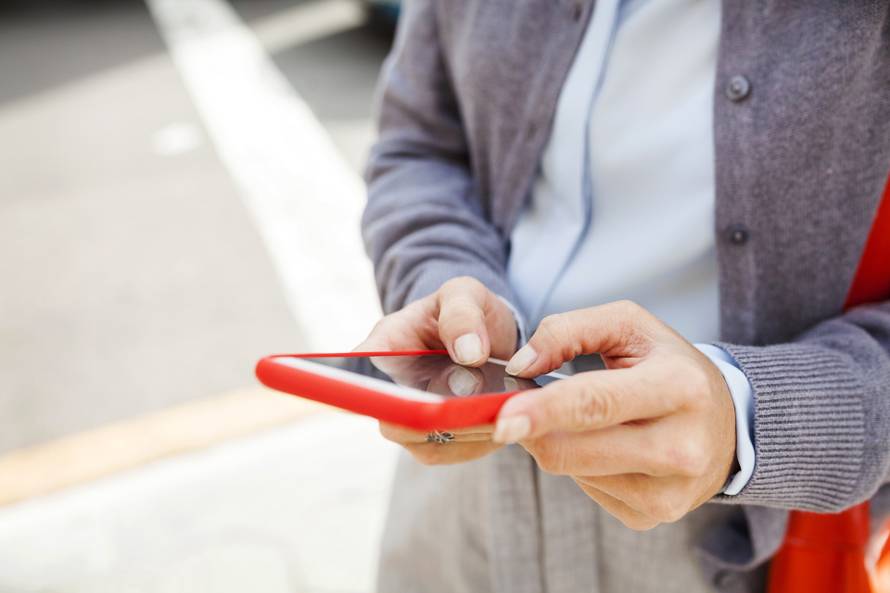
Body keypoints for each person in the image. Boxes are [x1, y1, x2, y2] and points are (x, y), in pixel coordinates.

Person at [357, 0, 890, 591]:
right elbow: (419, 143)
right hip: (456, 490)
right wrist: (446, 281)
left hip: (712, 523)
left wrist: (747, 419)